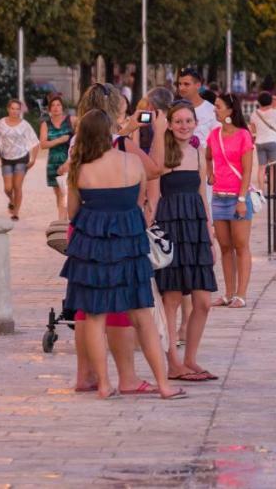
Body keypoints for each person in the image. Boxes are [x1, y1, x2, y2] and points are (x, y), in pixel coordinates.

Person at [61, 109, 184, 400]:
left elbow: (72, 213)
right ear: (109, 133)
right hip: (129, 245)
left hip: (94, 247)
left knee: (94, 316)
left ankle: (104, 384)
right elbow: (140, 202)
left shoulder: (80, 170)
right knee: (142, 315)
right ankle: (164, 385)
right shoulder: (132, 162)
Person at [153, 103, 217, 382]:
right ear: (168, 124)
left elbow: (202, 194)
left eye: (188, 120)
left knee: (203, 301)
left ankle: (190, 358)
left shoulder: (198, 152)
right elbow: (153, 197)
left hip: (196, 228)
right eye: (178, 121)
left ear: (195, 122)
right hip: (170, 225)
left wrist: (210, 231)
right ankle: (173, 363)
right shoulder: (161, 153)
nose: (183, 125)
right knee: (172, 299)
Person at [206, 93, 254, 309]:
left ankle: (241, 294)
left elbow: (247, 170)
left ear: (229, 110)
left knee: (241, 245)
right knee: (225, 247)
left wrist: (242, 199)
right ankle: (228, 293)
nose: (215, 110)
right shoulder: (213, 135)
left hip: (237, 198)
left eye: (218, 106)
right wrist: (209, 172)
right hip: (218, 197)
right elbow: (207, 156)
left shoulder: (244, 135)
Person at [0, 98, 40, 221]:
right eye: (12, 108)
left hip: (22, 158)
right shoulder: (1, 123)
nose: (15, 111)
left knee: (17, 186)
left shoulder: (25, 125)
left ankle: (16, 213)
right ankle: (12, 200)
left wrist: (33, 160)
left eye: (17, 109)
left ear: (20, 110)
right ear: (8, 109)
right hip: (6, 158)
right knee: (8, 188)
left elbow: (35, 142)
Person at [39, 93, 75, 221]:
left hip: (69, 160)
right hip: (53, 162)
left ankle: (63, 221)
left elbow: (83, 131)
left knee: (67, 193)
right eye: (53, 105)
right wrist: (61, 139)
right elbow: (43, 144)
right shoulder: (46, 124)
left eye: (58, 105)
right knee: (59, 194)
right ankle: (63, 220)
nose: (56, 108)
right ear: (49, 109)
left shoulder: (71, 120)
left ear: (62, 107)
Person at [175, 67, 217, 148]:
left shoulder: (212, 111)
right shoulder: (174, 109)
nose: (181, 88)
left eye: (186, 84)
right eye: (179, 84)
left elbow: (218, 141)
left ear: (198, 85)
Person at [249, 91, 276, 168]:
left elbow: (253, 131)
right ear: (270, 101)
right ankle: (273, 179)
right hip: (273, 141)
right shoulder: (275, 112)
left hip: (259, 142)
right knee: (273, 168)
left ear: (259, 102)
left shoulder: (254, 114)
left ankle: (261, 180)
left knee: (261, 168)